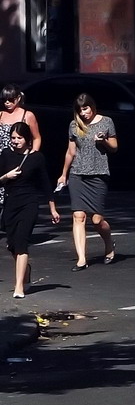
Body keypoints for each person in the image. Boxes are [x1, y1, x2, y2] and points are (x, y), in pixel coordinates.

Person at [56, 93, 117, 270]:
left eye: (86, 108)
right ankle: (81, 259)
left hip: (98, 174)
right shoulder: (74, 125)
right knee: (78, 215)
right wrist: (63, 174)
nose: (83, 113)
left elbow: (114, 147)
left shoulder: (106, 121)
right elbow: (70, 152)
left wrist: (104, 141)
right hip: (78, 174)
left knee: (97, 220)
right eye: (80, 110)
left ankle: (109, 243)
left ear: (92, 106)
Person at [0, 122, 60, 298]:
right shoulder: (5, 155)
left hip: (29, 203)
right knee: (12, 244)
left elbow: (45, 184)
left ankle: (19, 286)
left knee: (21, 243)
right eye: (13, 138)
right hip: (11, 203)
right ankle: (26, 268)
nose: (15, 141)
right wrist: (6, 176)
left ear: (27, 139)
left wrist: (53, 208)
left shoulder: (37, 158)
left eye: (19, 138)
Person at [0, 84, 43, 212]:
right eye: (4, 100)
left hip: (20, 158)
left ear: (18, 98)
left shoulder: (27, 115)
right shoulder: (1, 115)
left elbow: (36, 138)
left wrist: (32, 156)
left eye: (11, 100)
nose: (7, 103)